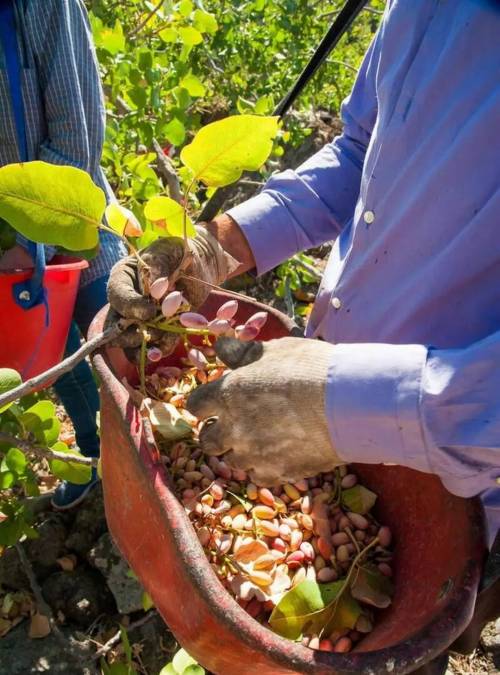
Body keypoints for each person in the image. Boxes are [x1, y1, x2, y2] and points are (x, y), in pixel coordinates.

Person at [108, 1, 499, 670]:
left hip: (454, 489)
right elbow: (360, 154)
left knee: (385, 634)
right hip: (314, 404)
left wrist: (337, 404)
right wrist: (217, 246)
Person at [0, 0, 126, 508]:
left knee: (119, 363)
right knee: (57, 363)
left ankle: (146, 491)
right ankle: (94, 461)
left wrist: (26, 243)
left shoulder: (42, 6)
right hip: (8, 253)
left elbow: (77, 139)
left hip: (77, 230)